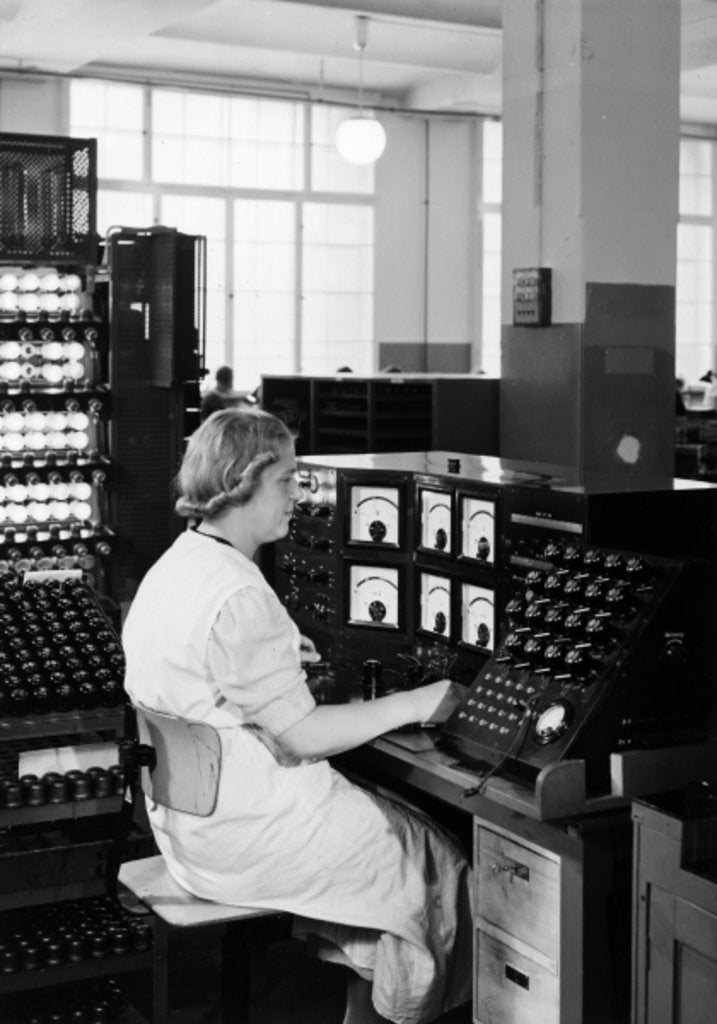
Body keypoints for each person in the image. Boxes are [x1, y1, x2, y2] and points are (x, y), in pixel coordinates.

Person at [122, 408, 473, 1024]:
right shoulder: (239, 591)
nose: (298, 493)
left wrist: (281, 658)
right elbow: (302, 735)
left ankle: (360, 1007)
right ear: (244, 480)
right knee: (434, 856)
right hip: (241, 838)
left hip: (186, 828)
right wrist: (420, 701)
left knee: (388, 837)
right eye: (286, 479)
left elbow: (209, 674)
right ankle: (400, 1011)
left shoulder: (177, 565)